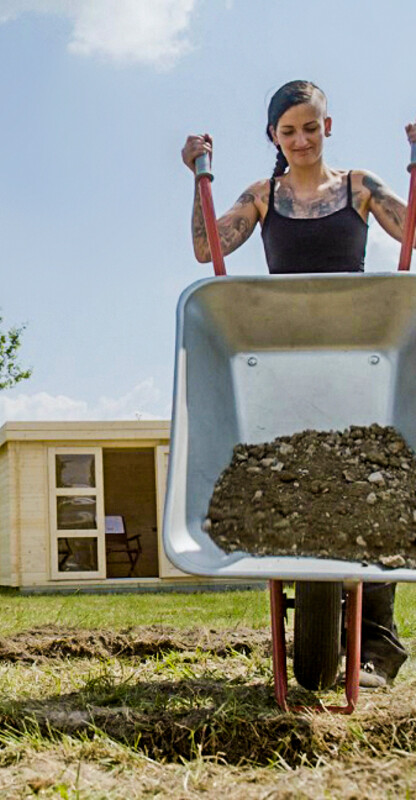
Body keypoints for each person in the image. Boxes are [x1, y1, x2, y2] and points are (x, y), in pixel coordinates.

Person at [181, 79, 416, 688]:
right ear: (274, 136)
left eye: (311, 127)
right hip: (282, 354)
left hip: (359, 350)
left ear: (327, 128)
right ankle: (308, 613)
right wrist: (196, 178)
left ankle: (377, 647)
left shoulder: (359, 187)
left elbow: (409, 229)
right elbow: (209, 247)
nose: (301, 139)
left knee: (377, 487)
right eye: (289, 131)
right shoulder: (263, 196)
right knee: (288, 482)